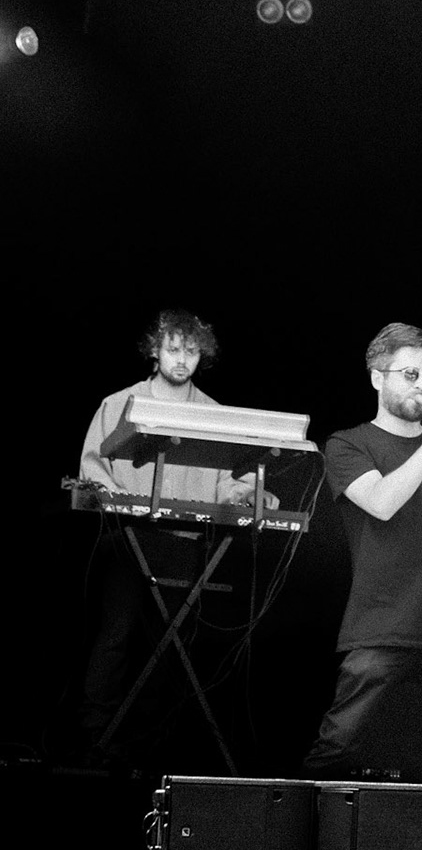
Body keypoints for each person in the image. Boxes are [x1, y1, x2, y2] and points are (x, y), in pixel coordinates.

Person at [73, 309, 271, 763]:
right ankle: (94, 738)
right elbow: (92, 472)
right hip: (129, 538)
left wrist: (250, 494)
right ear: (155, 351)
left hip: (185, 541)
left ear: (203, 355)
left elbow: (229, 481)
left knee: (174, 643)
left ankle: (151, 743)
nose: (182, 359)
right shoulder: (118, 404)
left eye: (191, 350)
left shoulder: (216, 415)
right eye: (173, 349)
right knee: (116, 636)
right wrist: (124, 503)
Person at [305, 323, 422, 783]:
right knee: (338, 745)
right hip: (380, 622)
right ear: (376, 377)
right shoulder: (348, 444)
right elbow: (383, 504)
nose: (421, 387)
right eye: (409, 374)